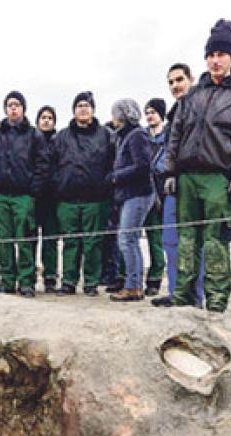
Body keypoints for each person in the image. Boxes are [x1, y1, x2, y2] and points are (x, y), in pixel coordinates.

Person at [163, 19, 231, 312]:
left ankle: (216, 302)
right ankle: (183, 299)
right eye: (211, 55)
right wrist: (169, 172)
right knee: (186, 240)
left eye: (221, 54)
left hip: (219, 178)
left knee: (215, 241)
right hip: (186, 178)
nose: (215, 60)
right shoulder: (192, 95)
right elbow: (176, 135)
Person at [0, 91, 50, 298]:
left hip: (24, 196)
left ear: (23, 109)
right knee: (4, 240)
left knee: (25, 239)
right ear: (5, 109)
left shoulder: (34, 135)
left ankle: (27, 281)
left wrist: (33, 190)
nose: (13, 108)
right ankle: (7, 279)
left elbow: (42, 165)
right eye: (10, 105)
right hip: (0, 196)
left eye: (17, 105)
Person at [50, 91, 116, 296]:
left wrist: (107, 184)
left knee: (93, 243)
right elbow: (51, 164)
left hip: (96, 199)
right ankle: (69, 281)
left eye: (87, 105)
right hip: (67, 199)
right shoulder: (61, 137)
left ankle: (91, 282)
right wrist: (58, 184)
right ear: (73, 110)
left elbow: (115, 162)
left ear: (93, 110)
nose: (83, 109)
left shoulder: (106, 135)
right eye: (79, 105)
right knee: (70, 242)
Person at [152, 64, 207, 308]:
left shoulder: (203, 106)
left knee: (196, 242)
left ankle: (196, 296)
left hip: (197, 183)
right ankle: (177, 292)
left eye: (180, 80)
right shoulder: (174, 113)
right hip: (173, 184)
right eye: (171, 82)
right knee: (170, 240)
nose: (175, 85)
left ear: (191, 80)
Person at [106, 99, 152, 301]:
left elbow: (143, 166)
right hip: (129, 194)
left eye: (115, 114)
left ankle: (134, 286)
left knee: (128, 240)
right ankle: (132, 283)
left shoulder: (136, 135)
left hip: (138, 194)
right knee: (127, 239)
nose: (112, 119)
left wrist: (117, 176)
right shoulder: (125, 136)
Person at [142, 98, 167, 296]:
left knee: (156, 238)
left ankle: (155, 278)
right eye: (147, 112)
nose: (150, 115)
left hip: (161, 190)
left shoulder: (169, 137)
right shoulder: (141, 136)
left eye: (153, 112)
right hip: (141, 189)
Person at [35, 105, 60, 293]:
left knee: (50, 240)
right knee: (30, 239)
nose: (46, 121)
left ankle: (50, 277)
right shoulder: (30, 140)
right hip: (34, 197)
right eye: (43, 117)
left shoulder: (59, 141)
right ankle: (29, 275)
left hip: (53, 199)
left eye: (50, 118)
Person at [101, 102, 126, 294]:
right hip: (108, 192)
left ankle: (118, 275)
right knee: (110, 237)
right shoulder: (112, 141)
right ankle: (111, 274)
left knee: (118, 238)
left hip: (118, 192)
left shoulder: (125, 140)